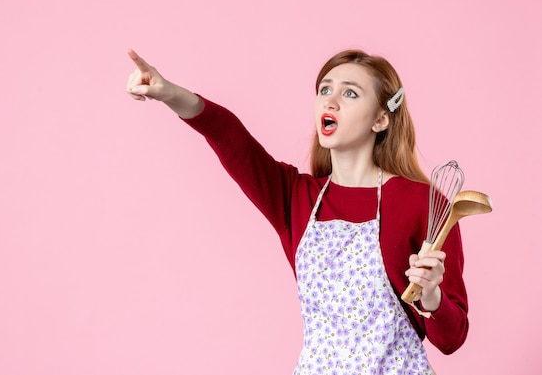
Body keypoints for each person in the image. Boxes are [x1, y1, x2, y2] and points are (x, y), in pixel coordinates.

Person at [126, 48, 468, 374]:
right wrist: (169, 93)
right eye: (324, 89)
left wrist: (432, 294)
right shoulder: (295, 197)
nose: (330, 101)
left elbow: (452, 339)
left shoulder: (424, 203)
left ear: (381, 118)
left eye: (350, 94)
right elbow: (230, 137)